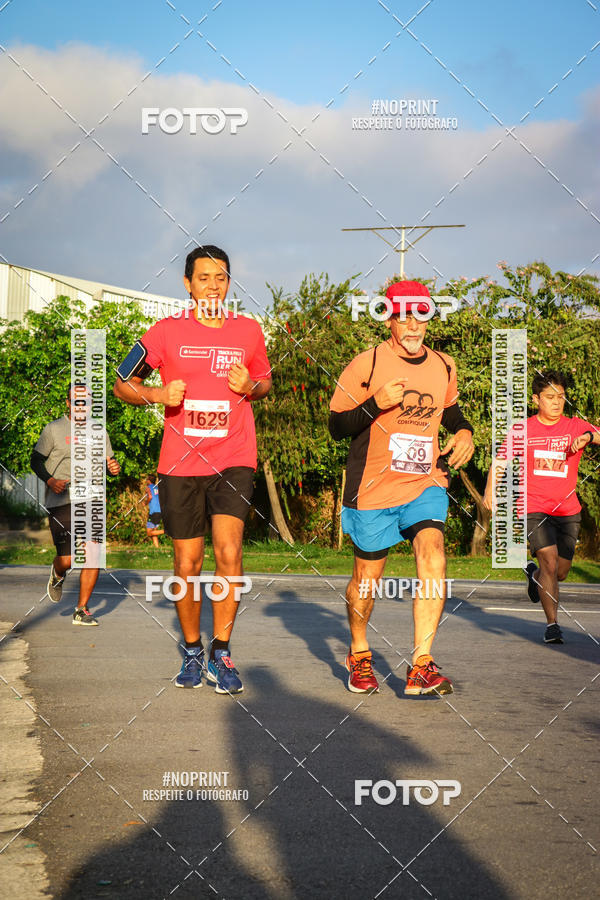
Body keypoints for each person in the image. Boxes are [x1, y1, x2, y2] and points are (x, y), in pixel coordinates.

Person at [113, 245, 271, 692]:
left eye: (221, 277)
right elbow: (123, 381)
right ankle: (191, 651)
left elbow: (265, 380)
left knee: (229, 554)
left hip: (233, 458)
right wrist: (159, 395)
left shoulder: (248, 331)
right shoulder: (165, 333)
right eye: (204, 278)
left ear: (228, 283)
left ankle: (222, 653)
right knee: (187, 562)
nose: (213, 285)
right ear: (188, 284)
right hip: (180, 464)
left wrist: (252, 386)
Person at [329, 280, 474, 696]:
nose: (412, 326)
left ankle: (421, 664)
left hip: (424, 482)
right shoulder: (367, 364)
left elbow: (451, 411)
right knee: (366, 579)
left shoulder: (444, 365)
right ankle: (358, 653)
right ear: (389, 319)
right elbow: (337, 426)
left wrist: (463, 431)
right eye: (403, 316)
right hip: (372, 488)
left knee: (433, 554)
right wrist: (375, 402)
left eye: (420, 316)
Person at [484, 370, 599, 644]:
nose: (556, 402)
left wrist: (588, 438)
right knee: (549, 561)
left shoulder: (574, 425)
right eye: (550, 397)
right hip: (533, 506)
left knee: (559, 571)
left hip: (568, 509)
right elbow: (500, 462)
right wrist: (491, 490)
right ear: (536, 399)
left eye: (560, 396)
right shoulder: (522, 430)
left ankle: (533, 576)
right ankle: (552, 625)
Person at [31, 385, 121, 625]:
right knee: (68, 558)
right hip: (63, 498)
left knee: (93, 553)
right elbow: (36, 460)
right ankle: (58, 573)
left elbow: (109, 463)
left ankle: (81, 610)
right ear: (69, 404)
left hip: (92, 497)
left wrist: (113, 469)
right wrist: (50, 480)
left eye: (87, 402)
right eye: (77, 402)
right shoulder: (53, 429)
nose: (82, 406)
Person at [144, 474, 164, 548]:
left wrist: (145, 503)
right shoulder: (157, 487)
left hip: (154, 511)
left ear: (148, 480)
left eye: (146, 479)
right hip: (159, 511)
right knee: (154, 531)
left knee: (149, 533)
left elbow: (150, 497)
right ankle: (157, 548)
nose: (146, 481)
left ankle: (167, 531)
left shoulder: (148, 488)